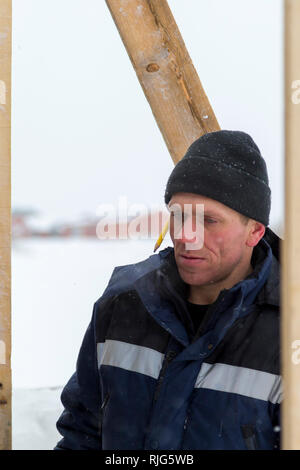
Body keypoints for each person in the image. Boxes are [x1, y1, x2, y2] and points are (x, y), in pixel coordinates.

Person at [54, 130, 281, 450]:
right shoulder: (124, 304)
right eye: (178, 215)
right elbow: (83, 433)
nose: (187, 235)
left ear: (254, 231)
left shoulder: (287, 334)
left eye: (209, 220)